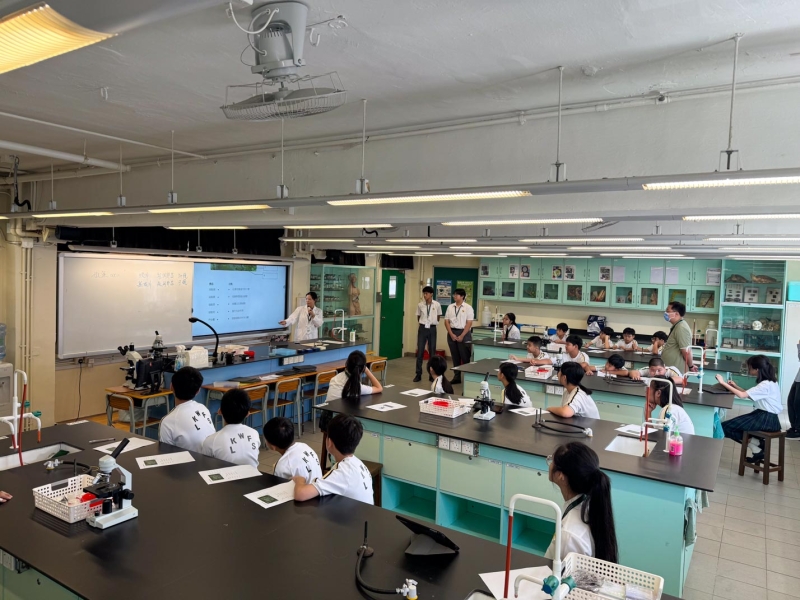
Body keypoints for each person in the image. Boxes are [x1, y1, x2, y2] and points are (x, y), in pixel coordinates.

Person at [546, 442, 618, 563]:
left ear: (561, 476)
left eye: (552, 461)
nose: (550, 465)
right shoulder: (590, 503)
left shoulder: (569, 536)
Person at [293, 414, 374, 505]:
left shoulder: (343, 471)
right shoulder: (358, 463)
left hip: (351, 514)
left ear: (329, 442)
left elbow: (300, 494)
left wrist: (300, 480)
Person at [717, 355, 782, 463]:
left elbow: (742, 395)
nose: (748, 370)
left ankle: (756, 446)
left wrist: (722, 382)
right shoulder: (771, 382)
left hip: (766, 419)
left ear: (757, 369)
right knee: (730, 427)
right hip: (768, 417)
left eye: (750, 367)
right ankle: (756, 445)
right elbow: (749, 394)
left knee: (725, 427)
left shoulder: (765, 385)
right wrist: (735, 386)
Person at [159, 366, 215, 453]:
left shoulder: (167, 422)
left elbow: (165, 454)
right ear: (198, 391)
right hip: (214, 459)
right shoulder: (203, 408)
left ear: (171, 387)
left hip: (190, 461)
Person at [200, 389, 260, 468]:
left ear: (220, 411)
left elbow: (205, 466)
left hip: (224, 475)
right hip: (254, 475)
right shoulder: (254, 433)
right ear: (247, 414)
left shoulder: (211, 441)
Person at [264, 416, 322, 484]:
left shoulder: (283, 466)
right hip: (318, 488)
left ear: (273, 446)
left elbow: (279, 487)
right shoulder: (305, 446)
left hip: (303, 490)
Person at [444, 288, 474, 384]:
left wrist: (462, 336)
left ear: (462, 296)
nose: (454, 296)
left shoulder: (468, 308)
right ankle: (457, 377)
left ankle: (468, 378)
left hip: (464, 333)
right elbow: (446, 321)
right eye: (454, 294)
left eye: (456, 295)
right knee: (455, 356)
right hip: (452, 332)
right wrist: (451, 334)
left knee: (465, 357)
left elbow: (469, 323)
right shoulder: (450, 307)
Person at [414, 285, 442, 383]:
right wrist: (423, 323)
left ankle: (432, 374)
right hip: (422, 328)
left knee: (432, 351)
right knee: (420, 351)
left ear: (431, 294)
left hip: (432, 328)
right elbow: (418, 316)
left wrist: (432, 323)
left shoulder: (437, 304)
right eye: (424, 293)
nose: (425, 295)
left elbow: (438, 316)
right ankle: (418, 374)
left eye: (426, 293)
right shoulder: (420, 305)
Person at [662, 302, 697, 373]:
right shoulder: (677, 325)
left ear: (676, 314)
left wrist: (691, 366)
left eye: (668, 311)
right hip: (671, 368)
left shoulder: (681, 328)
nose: (665, 313)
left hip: (676, 371)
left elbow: (686, 351)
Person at [787, 340, 800, 439]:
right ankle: (794, 427)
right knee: (791, 401)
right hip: (798, 379)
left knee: (797, 404)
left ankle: (798, 430)